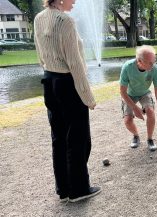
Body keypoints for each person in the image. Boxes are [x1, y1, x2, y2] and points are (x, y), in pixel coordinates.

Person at [34, 0, 101, 202]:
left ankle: (63, 189)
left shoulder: (39, 18)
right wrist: (88, 96)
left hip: (49, 81)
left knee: (59, 137)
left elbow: (40, 54)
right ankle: (79, 189)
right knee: (78, 138)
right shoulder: (65, 20)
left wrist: (49, 71)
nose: (76, 1)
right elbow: (75, 63)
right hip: (67, 83)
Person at [120, 45, 157, 151]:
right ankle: (136, 136)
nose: (153, 64)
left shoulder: (154, 70)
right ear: (139, 61)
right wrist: (135, 108)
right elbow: (122, 92)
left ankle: (150, 139)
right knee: (127, 120)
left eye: (154, 61)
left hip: (144, 93)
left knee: (150, 112)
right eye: (150, 62)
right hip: (129, 94)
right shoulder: (127, 67)